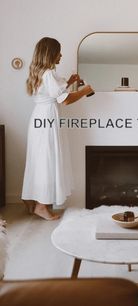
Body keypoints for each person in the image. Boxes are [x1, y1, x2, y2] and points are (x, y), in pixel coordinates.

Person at [21, 37, 93, 220]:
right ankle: (42, 206)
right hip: (48, 120)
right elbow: (65, 99)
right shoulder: (49, 73)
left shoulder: (40, 73)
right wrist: (85, 91)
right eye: (58, 51)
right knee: (48, 160)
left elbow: (53, 93)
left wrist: (68, 82)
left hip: (39, 117)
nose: (61, 55)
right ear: (50, 53)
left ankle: (32, 201)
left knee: (39, 160)